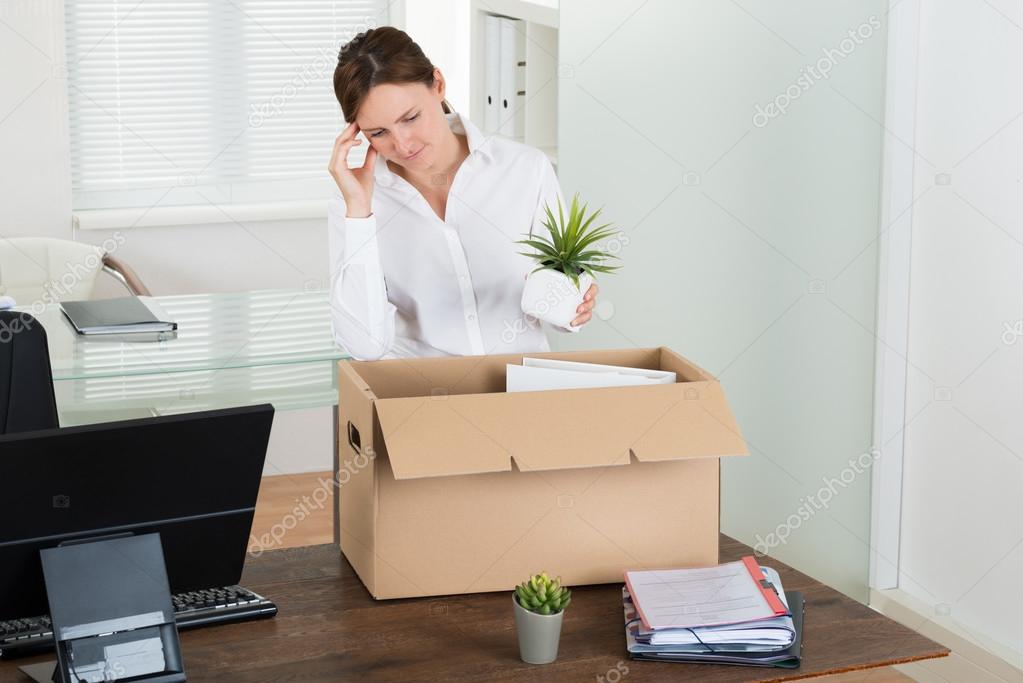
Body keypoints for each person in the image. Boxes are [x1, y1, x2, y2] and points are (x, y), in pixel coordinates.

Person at [327, 26, 598, 360]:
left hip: (522, 390)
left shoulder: (525, 170)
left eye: (411, 118)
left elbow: (559, 291)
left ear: (438, 85)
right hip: (420, 398)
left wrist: (575, 307)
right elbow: (364, 346)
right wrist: (359, 212)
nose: (402, 144)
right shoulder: (356, 203)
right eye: (379, 132)